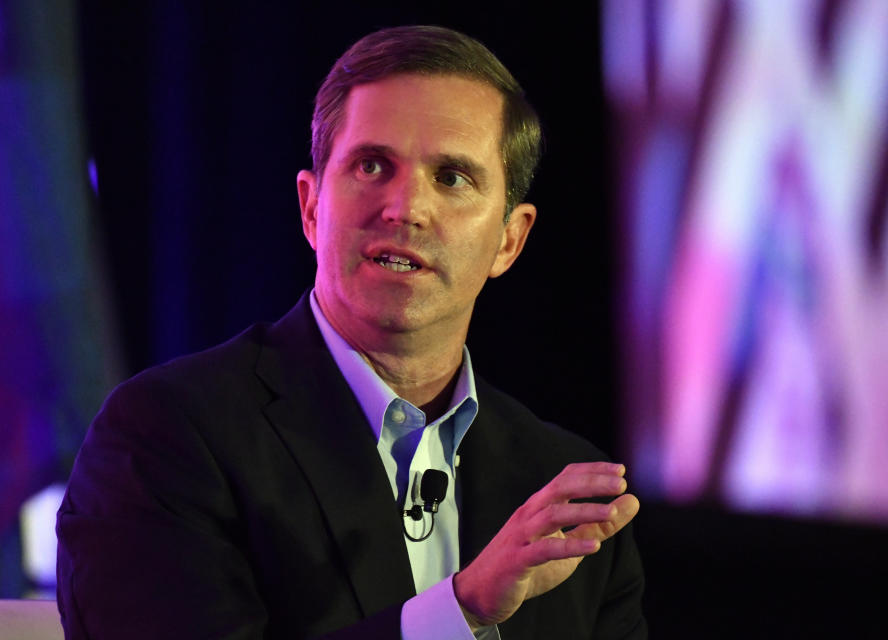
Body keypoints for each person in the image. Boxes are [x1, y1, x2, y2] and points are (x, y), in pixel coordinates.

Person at [56, 25, 646, 639]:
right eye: (372, 165)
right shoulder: (166, 436)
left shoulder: (567, 492)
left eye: (452, 177)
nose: (406, 208)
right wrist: (460, 610)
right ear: (312, 208)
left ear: (509, 239)